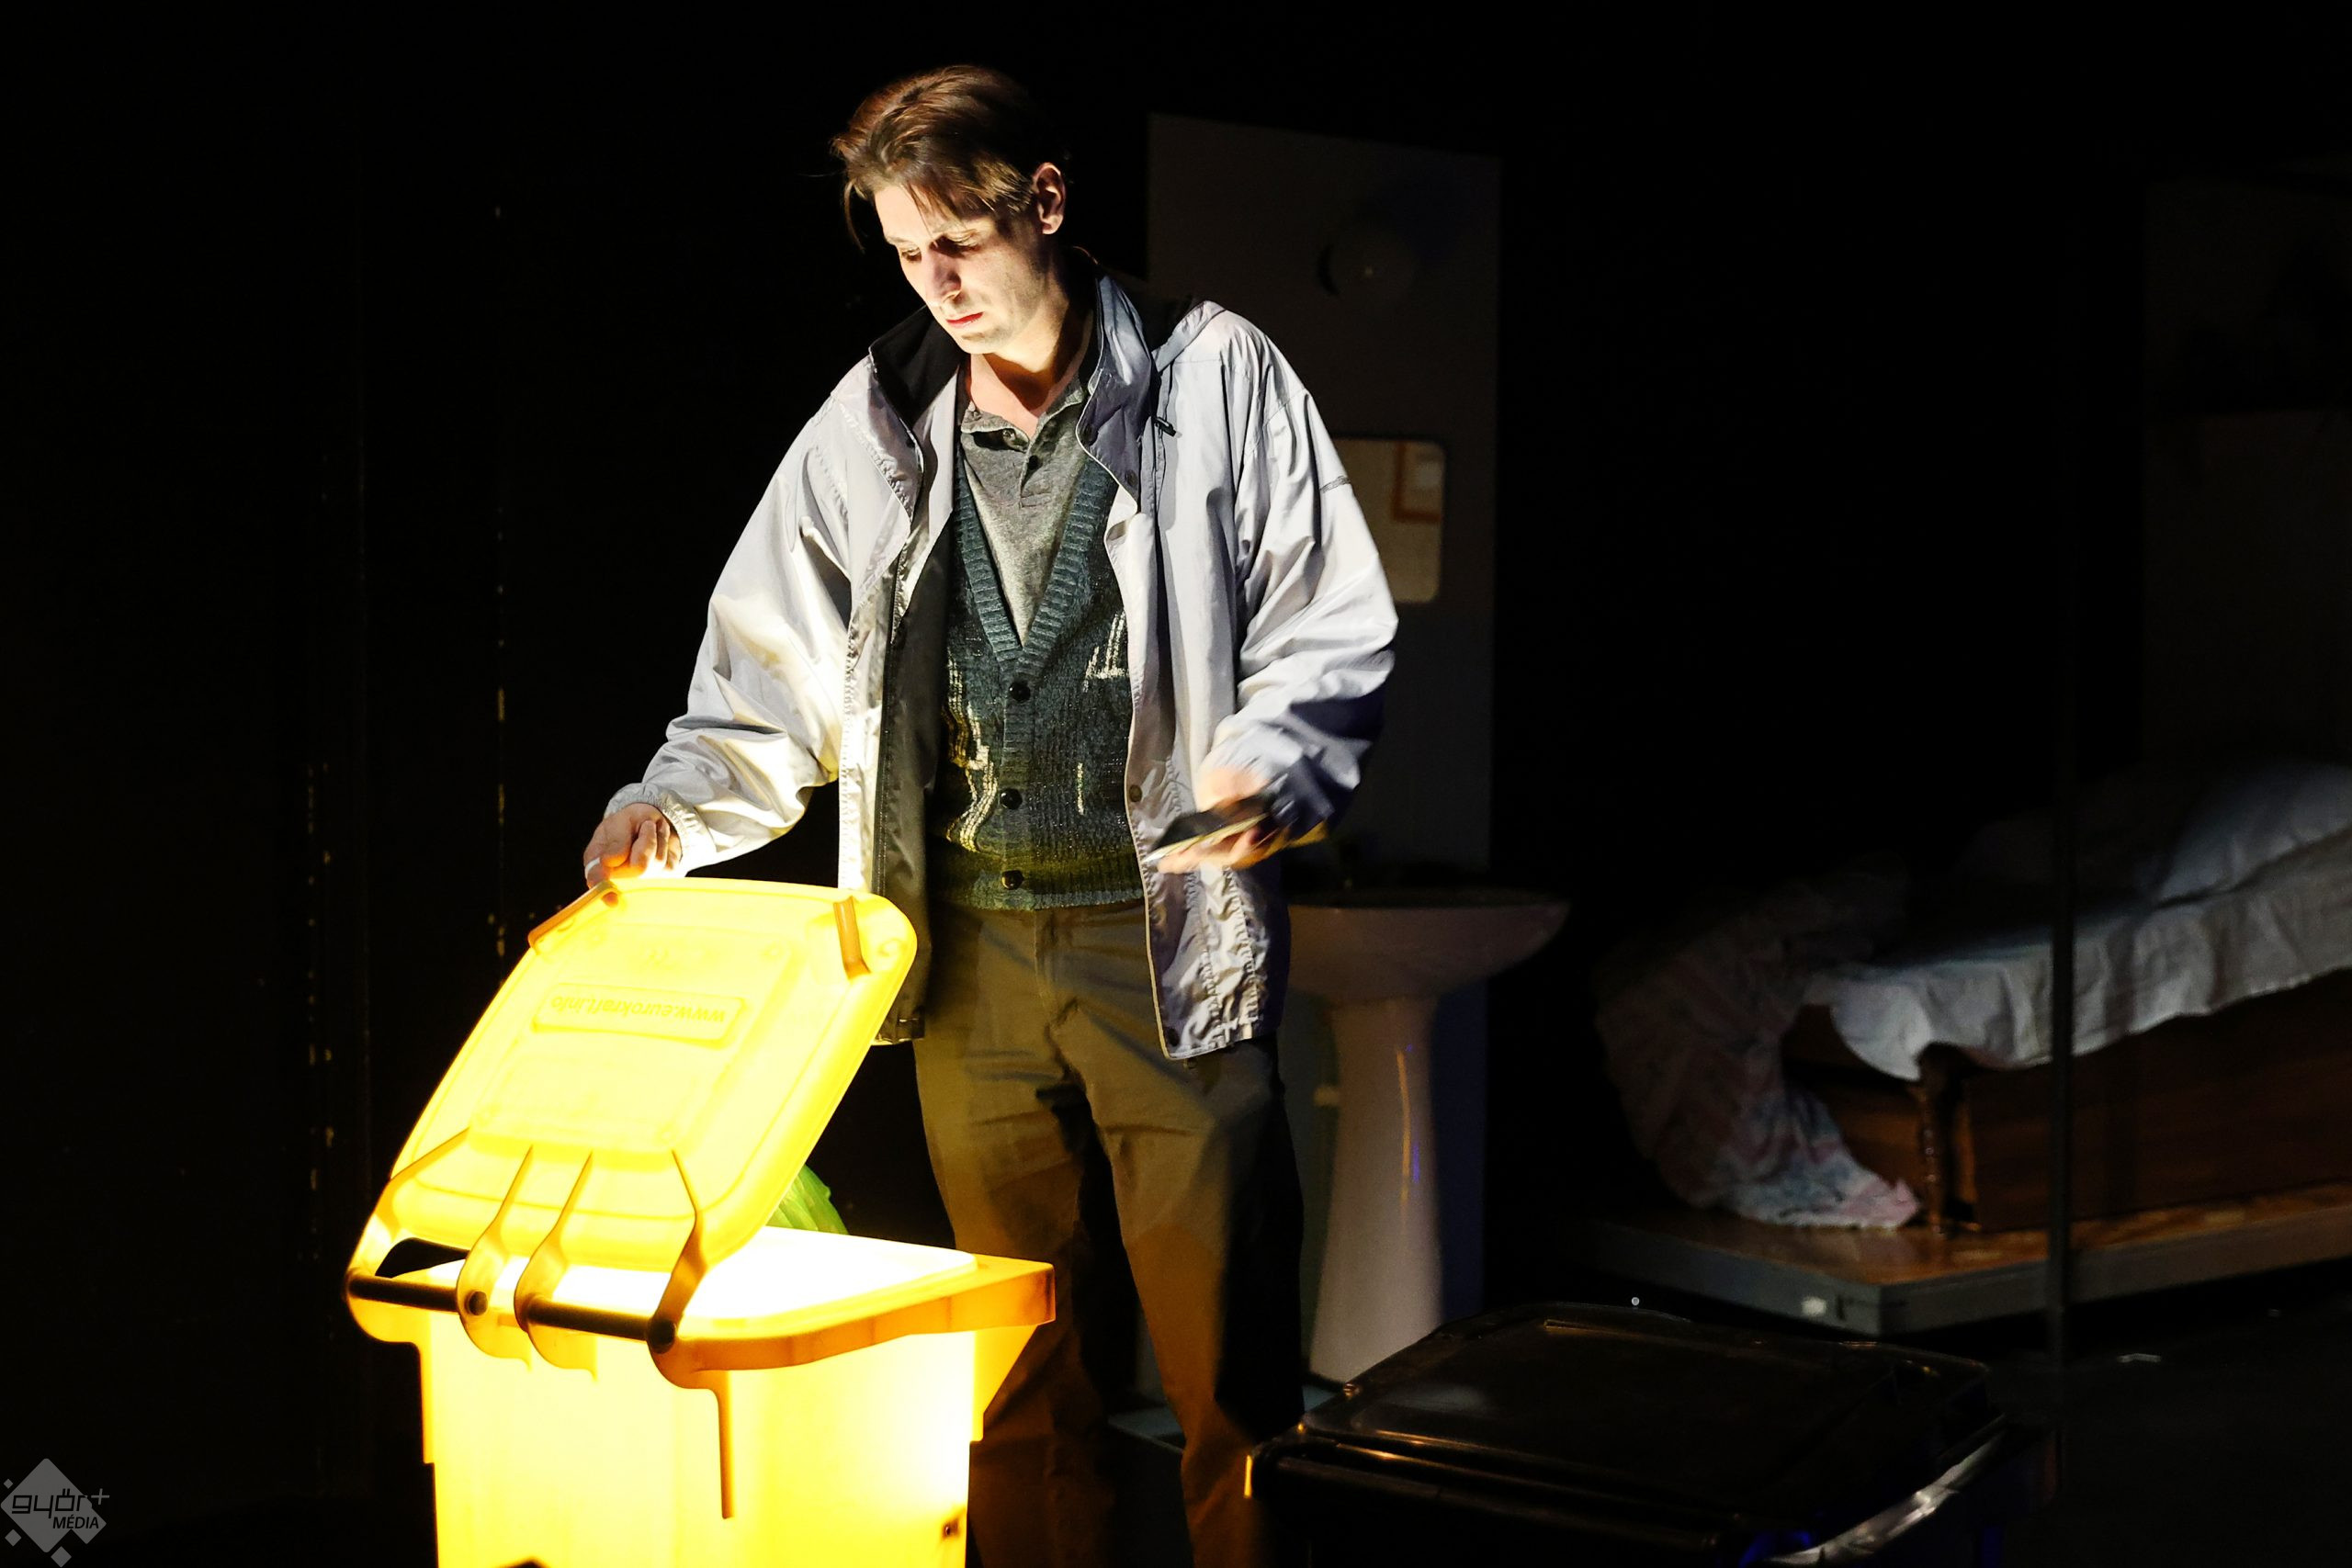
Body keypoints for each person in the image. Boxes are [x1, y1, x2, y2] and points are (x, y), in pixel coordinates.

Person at [581, 64, 1395, 1568]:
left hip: (1162, 948)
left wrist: (1273, 758)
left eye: (959, 239)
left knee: (1228, 1374)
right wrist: (672, 811)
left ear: (1046, 202)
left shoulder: (1213, 375)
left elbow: (1323, 614)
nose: (938, 282)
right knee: (1015, 1370)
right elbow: (771, 665)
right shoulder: (878, 416)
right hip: (970, 964)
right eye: (907, 253)